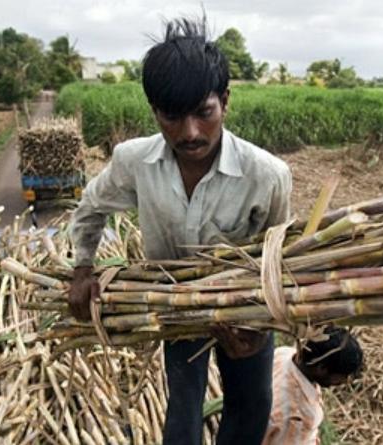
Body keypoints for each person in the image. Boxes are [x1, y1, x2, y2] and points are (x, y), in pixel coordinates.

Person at [68, 16, 292, 445]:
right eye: (172, 116)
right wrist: (82, 268)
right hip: (172, 304)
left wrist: (260, 328)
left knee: (249, 409)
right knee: (184, 409)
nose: (190, 133)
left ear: (224, 101)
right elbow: (91, 207)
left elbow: (279, 259)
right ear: (154, 110)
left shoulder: (267, 175)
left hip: (244, 311)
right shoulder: (134, 161)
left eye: (204, 113)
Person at [262, 326, 364, 445]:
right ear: (321, 368)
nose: (345, 381)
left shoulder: (284, 354)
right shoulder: (297, 417)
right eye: (342, 375)